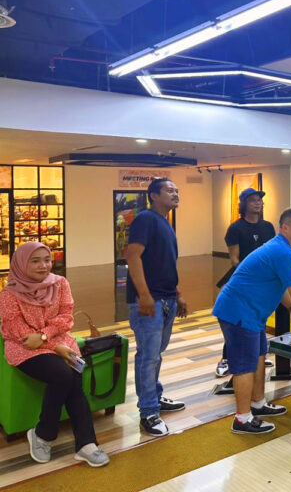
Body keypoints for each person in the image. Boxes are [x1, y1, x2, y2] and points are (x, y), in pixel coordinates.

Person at [213, 209, 291, 435]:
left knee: (260, 356)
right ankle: (242, 419)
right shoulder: (282, 252)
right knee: (244, 366)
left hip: (252, 314)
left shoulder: (281, 249)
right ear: (285, 228)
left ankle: (258, 403)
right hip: (239, 311)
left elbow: (281, 287)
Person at [0, 243, 110, 467]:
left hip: (59, 341)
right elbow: (19, 331)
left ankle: (83, 443)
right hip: (24, 348)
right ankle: (46, 435)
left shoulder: (60, 283)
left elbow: (66, 317)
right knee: (63, 374)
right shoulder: (9, 294)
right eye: (35, 261)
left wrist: (46, 338)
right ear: (21, 264)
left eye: (47, 260)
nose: (44, 265)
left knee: (73, 376)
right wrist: (51, 345)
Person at [124, 178, 187, 437]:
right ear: (153, 195)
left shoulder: (165, 222)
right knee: (148, 357)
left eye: (177, 190)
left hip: (166, 298)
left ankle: (155, 397)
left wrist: (177, 294)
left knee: (155, 354)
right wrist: (144, 295)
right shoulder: (146, 219)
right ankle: (148, 412)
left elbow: (163, 264)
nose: (175, 194)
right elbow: (132, 255)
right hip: (150, 301)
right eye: (169, 190)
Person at [216, 188, 276, 378]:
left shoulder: (268, 227)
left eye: (259, 200)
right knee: (238, 322)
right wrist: (251, 276)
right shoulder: (235, 228)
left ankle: (257, 355)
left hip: (263, 284)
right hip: (243, 283)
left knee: (257, 320)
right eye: (253, 200)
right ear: (243, 204)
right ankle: (226, 359)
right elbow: (234, 259)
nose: (258, 203)